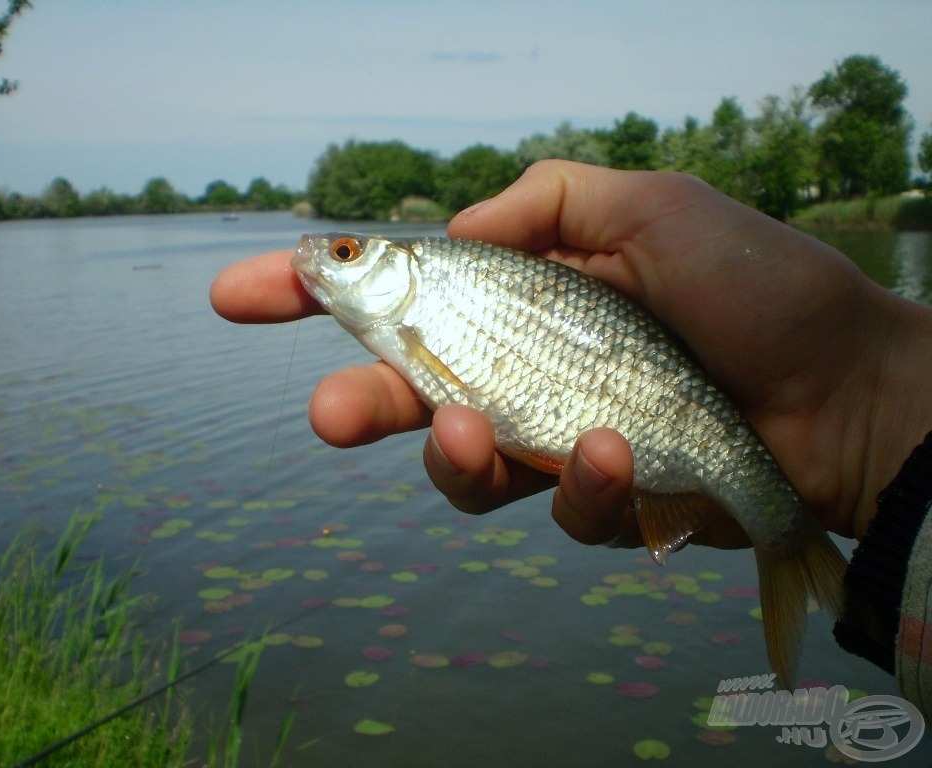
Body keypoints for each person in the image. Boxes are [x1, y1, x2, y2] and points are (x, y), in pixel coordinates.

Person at [211, 160, 932, 716]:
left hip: (666, 413)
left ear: (399, 270)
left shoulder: (440, 275)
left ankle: (797, 547)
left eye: (342, 252)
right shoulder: (418, 301)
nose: (321, 255)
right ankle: (820, 567)